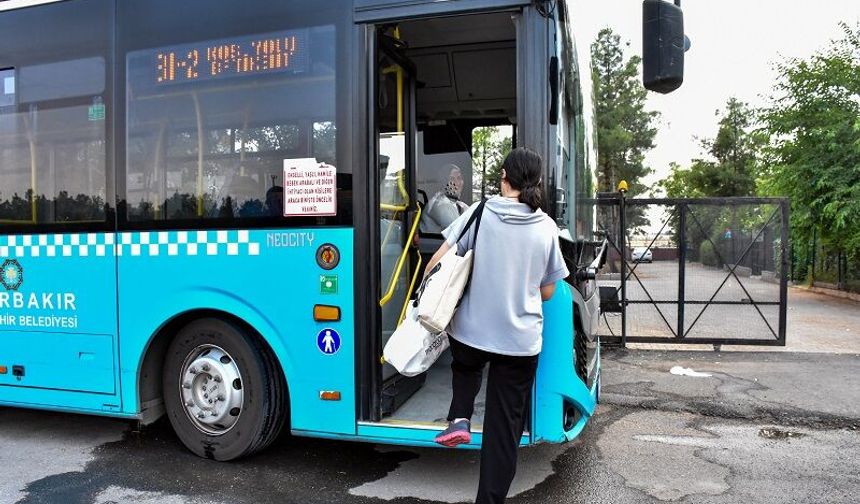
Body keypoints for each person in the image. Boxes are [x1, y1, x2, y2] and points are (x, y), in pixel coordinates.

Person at [423, 147, 569, 504]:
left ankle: (460, 416)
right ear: (536, 182)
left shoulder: (480, 211)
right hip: (520, 342)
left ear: (503, 176)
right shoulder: (546, 227)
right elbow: (548, 291)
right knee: (503, 433)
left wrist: (426, 286)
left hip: (473, 334)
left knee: (465, 363)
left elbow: (438, 261)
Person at [422, 164, 469, 233]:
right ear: (443, 182)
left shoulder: (460, 205)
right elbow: (459, 233)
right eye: (452, 179)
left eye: (459, 178)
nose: (457, 183)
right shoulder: (439, 205)